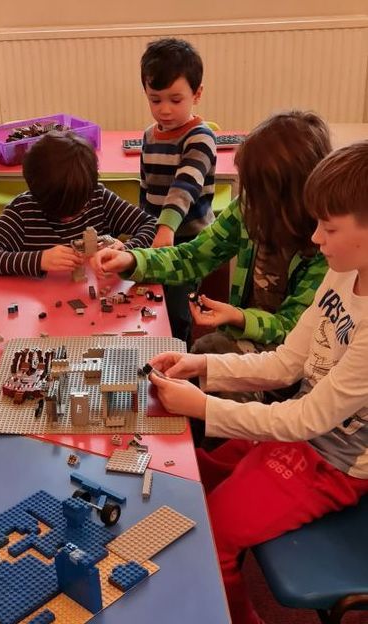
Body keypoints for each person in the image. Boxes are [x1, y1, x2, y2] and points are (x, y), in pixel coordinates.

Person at [145, 140, 368, 624]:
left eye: (329, 228)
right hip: (303, 437)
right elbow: (288, 362)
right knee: (191, 475)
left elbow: (308, 418)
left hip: (333, 465)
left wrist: (202, 406)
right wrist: (203, 367)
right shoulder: (342, 273)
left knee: (211, 533)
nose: (316, 238)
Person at [92, 111, 331, 391]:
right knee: (196, 360)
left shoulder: (326, 250)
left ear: (291, 197)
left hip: (291, 362)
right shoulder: (248, 209)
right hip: (242, 338)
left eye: (257, 193)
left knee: (206, 367)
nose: (247, 200)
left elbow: (293, 329)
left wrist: (237, 316)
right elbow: (193, 256)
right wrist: (133, 258)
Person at [0, 130, 156, 277]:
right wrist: (39, 260)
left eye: (79, 208)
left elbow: (151, 226)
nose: (68, 218)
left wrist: (127, 252)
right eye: (56, 211)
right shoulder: (23, 211)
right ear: (36, 194)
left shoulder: (98, 197)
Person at [139, 37, 217, 341]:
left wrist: (167, 227)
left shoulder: (200, 137)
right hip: (158, 237)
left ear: (197, 94)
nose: (165, 110)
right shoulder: (149, 136)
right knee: (151, 302)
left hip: (188, 241)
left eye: (175, 99)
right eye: (155, 100)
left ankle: (180, 354)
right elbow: (146, 189)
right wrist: (145, 230)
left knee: (177, 309)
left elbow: (185, 186)